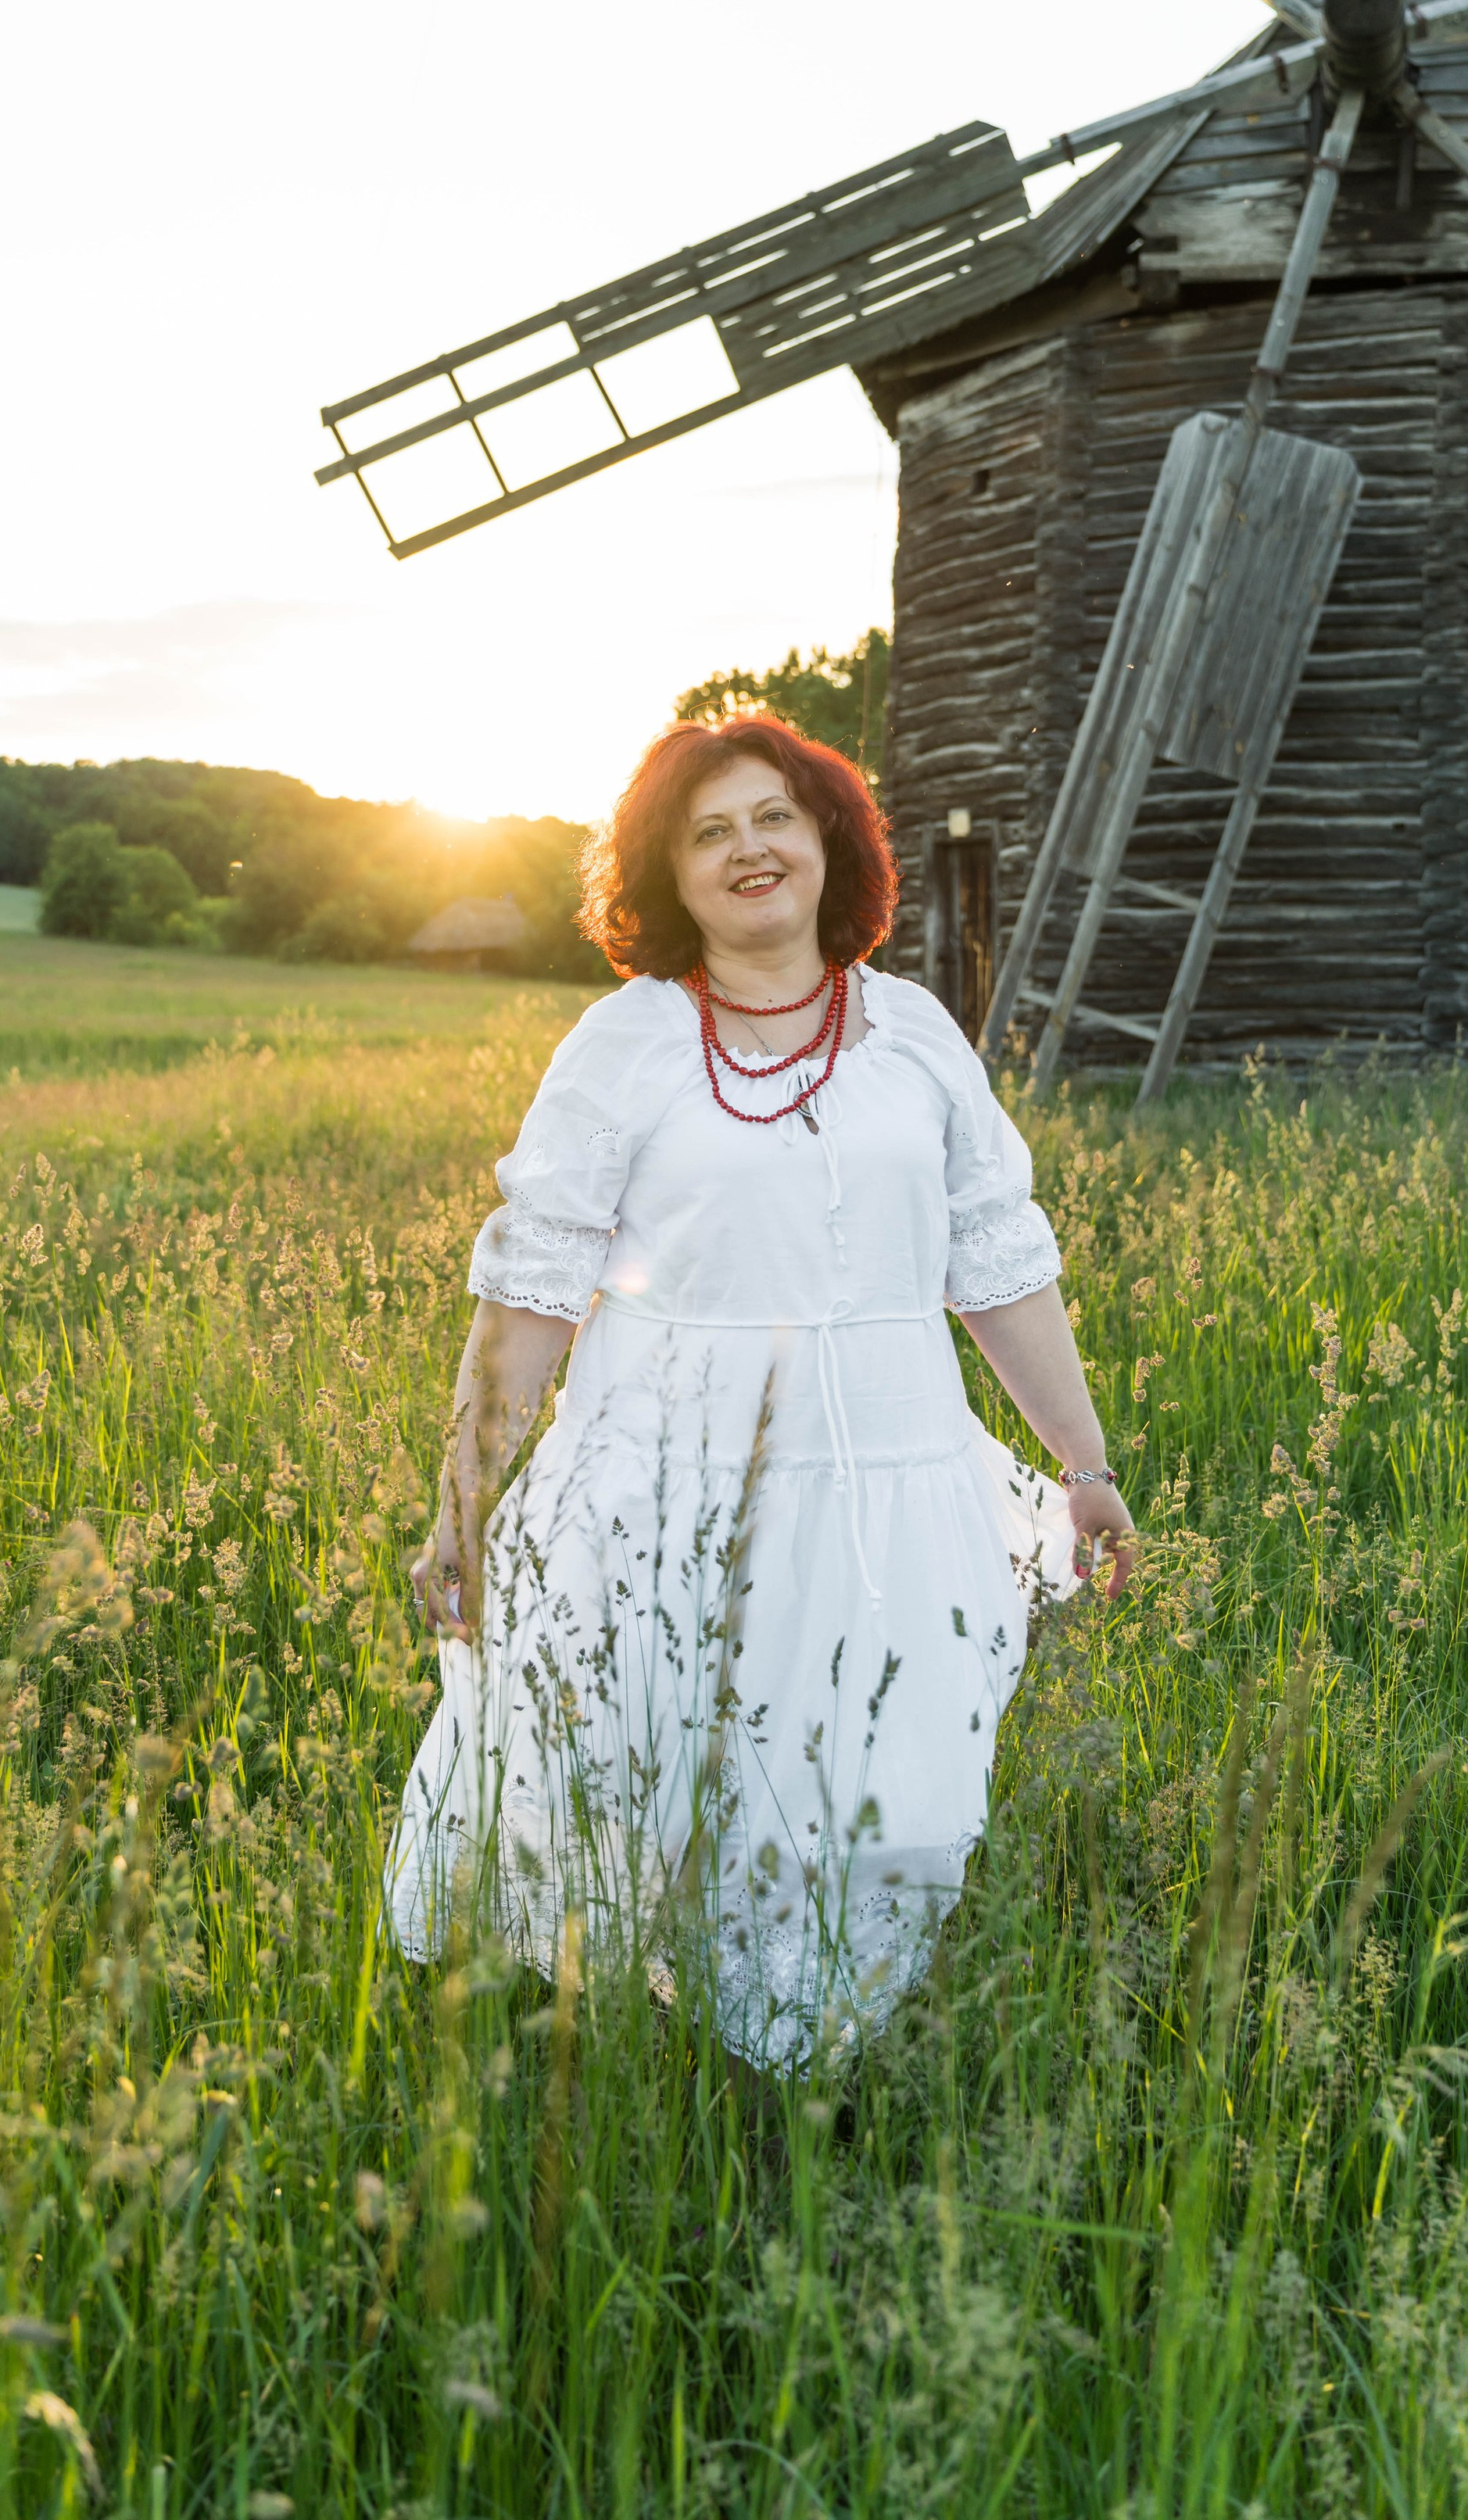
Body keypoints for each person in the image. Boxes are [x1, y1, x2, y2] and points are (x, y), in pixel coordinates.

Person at [387, 711, 1137, 2067]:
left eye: (774, 819)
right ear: (667, 879)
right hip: (667, 1479)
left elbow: (998, 1260)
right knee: (645, 1774)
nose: (749, 850)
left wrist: (1082, 1472)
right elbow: (532, 1291)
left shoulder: (911, 1034)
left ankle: (806, 2064)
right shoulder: (632, 1043)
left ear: (828, 839)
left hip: (890, 1481)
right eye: (709, 832)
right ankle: (640, 2061)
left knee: (874, 1786)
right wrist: (464, 1500)